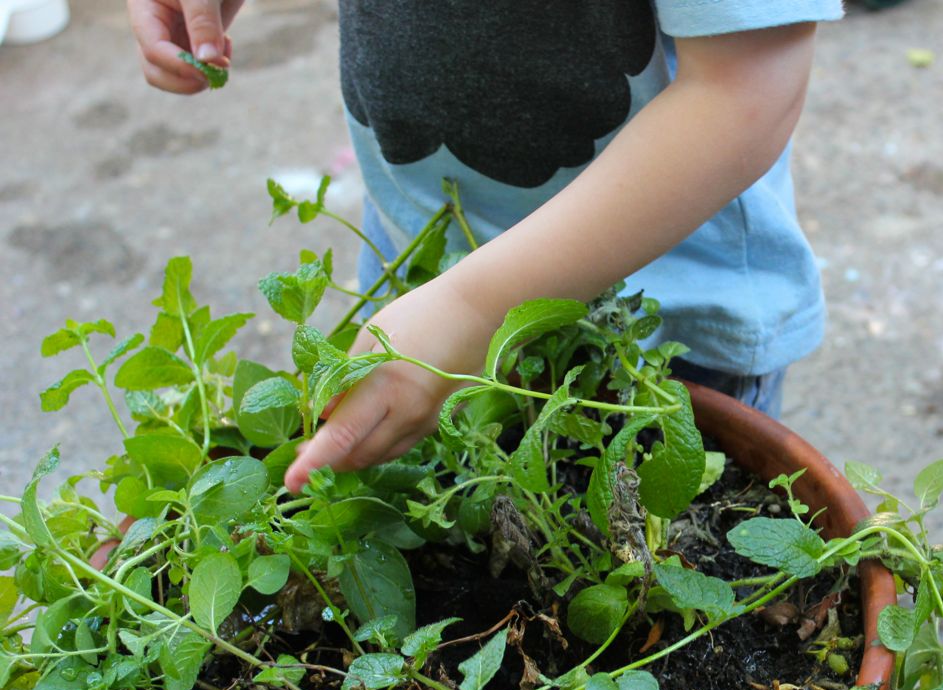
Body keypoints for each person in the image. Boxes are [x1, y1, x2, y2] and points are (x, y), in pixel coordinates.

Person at [126, 1, 840, 495]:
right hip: (423, 259)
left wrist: (473, 308)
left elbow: (747, 92)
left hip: (660, 316)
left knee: (647, 554)